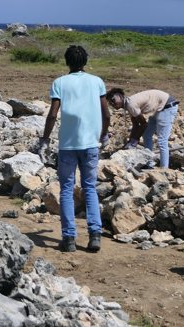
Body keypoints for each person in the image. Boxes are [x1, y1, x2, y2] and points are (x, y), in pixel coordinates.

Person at [38, 45, 110, 253]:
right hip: (90, 144)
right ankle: (95, 235)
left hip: (68, 145)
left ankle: (69, 238)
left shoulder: (60, 83)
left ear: (67, 62)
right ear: (85, 61)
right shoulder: (97, 82)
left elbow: (52, 114)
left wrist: (45, 138)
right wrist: (104, 134)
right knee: (90, 188)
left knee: (67, 189)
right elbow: (106, 114)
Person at [105, 88, 179, 168]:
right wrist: (131, 141)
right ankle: (149, 164)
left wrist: (134, 141)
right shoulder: (128, 105)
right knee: (146, 135)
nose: (112, 103)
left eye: (113, 99)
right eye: (110, 102)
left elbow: (143, 124)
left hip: (167, 106)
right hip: (158, 108)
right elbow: (136, 124)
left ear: (120, 96)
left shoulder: (131, 104)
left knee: (162, 140)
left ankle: (164, 169)